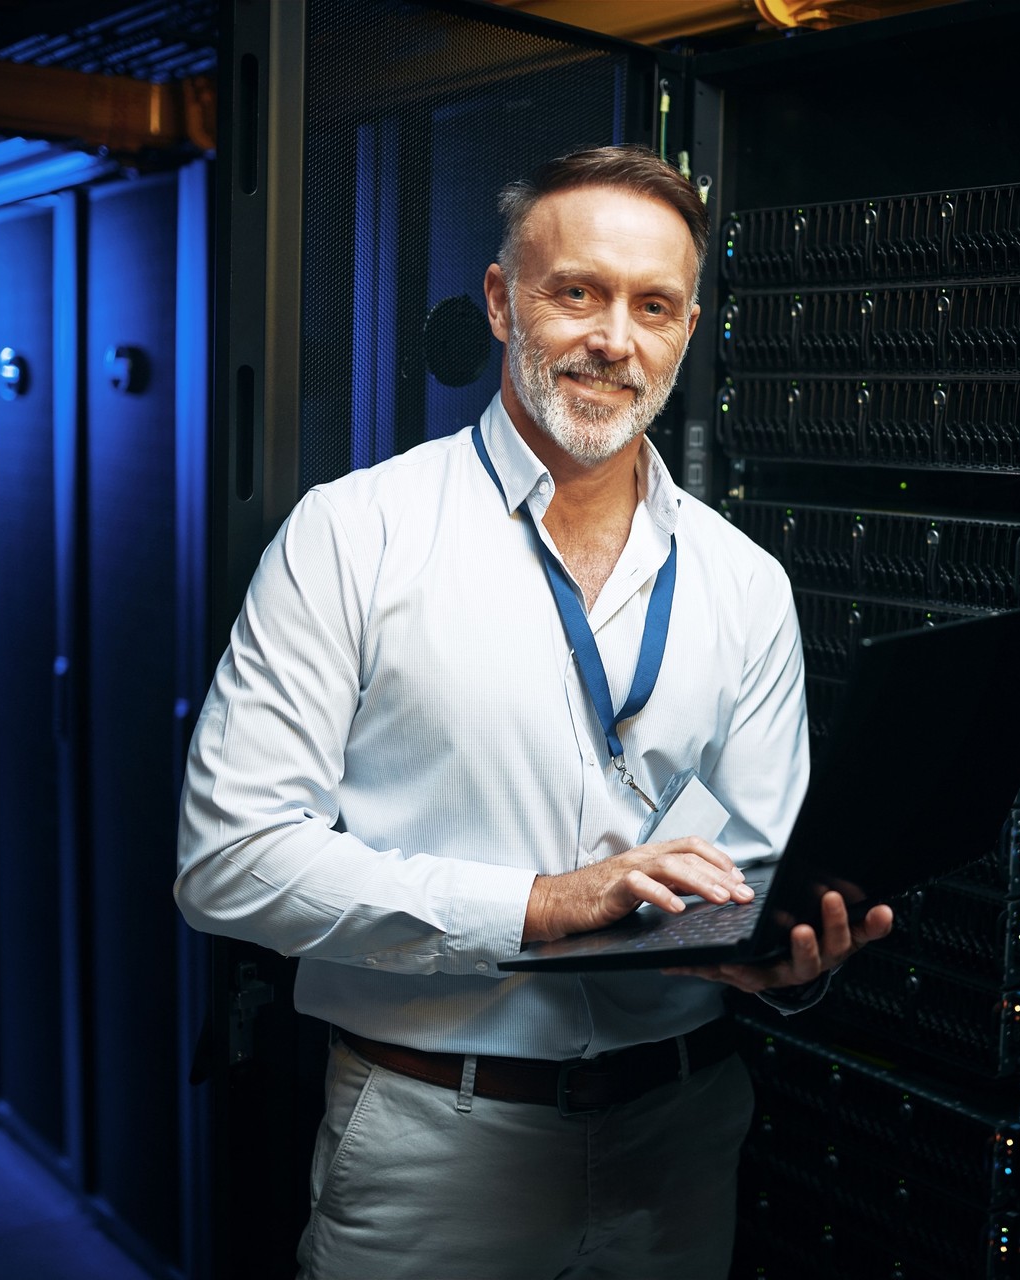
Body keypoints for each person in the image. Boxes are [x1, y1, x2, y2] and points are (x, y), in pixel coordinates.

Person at [175, 144, 892, 1280]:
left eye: (653, 305)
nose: (616, 337)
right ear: (504, 301)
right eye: (579, 291)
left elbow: (757, 861)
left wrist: (785, 954)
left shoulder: (745, 579)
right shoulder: (354, 534)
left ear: (688, 329)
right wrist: (539, 905)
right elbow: (230, 860)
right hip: (433, 1146)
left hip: (682, 1135)